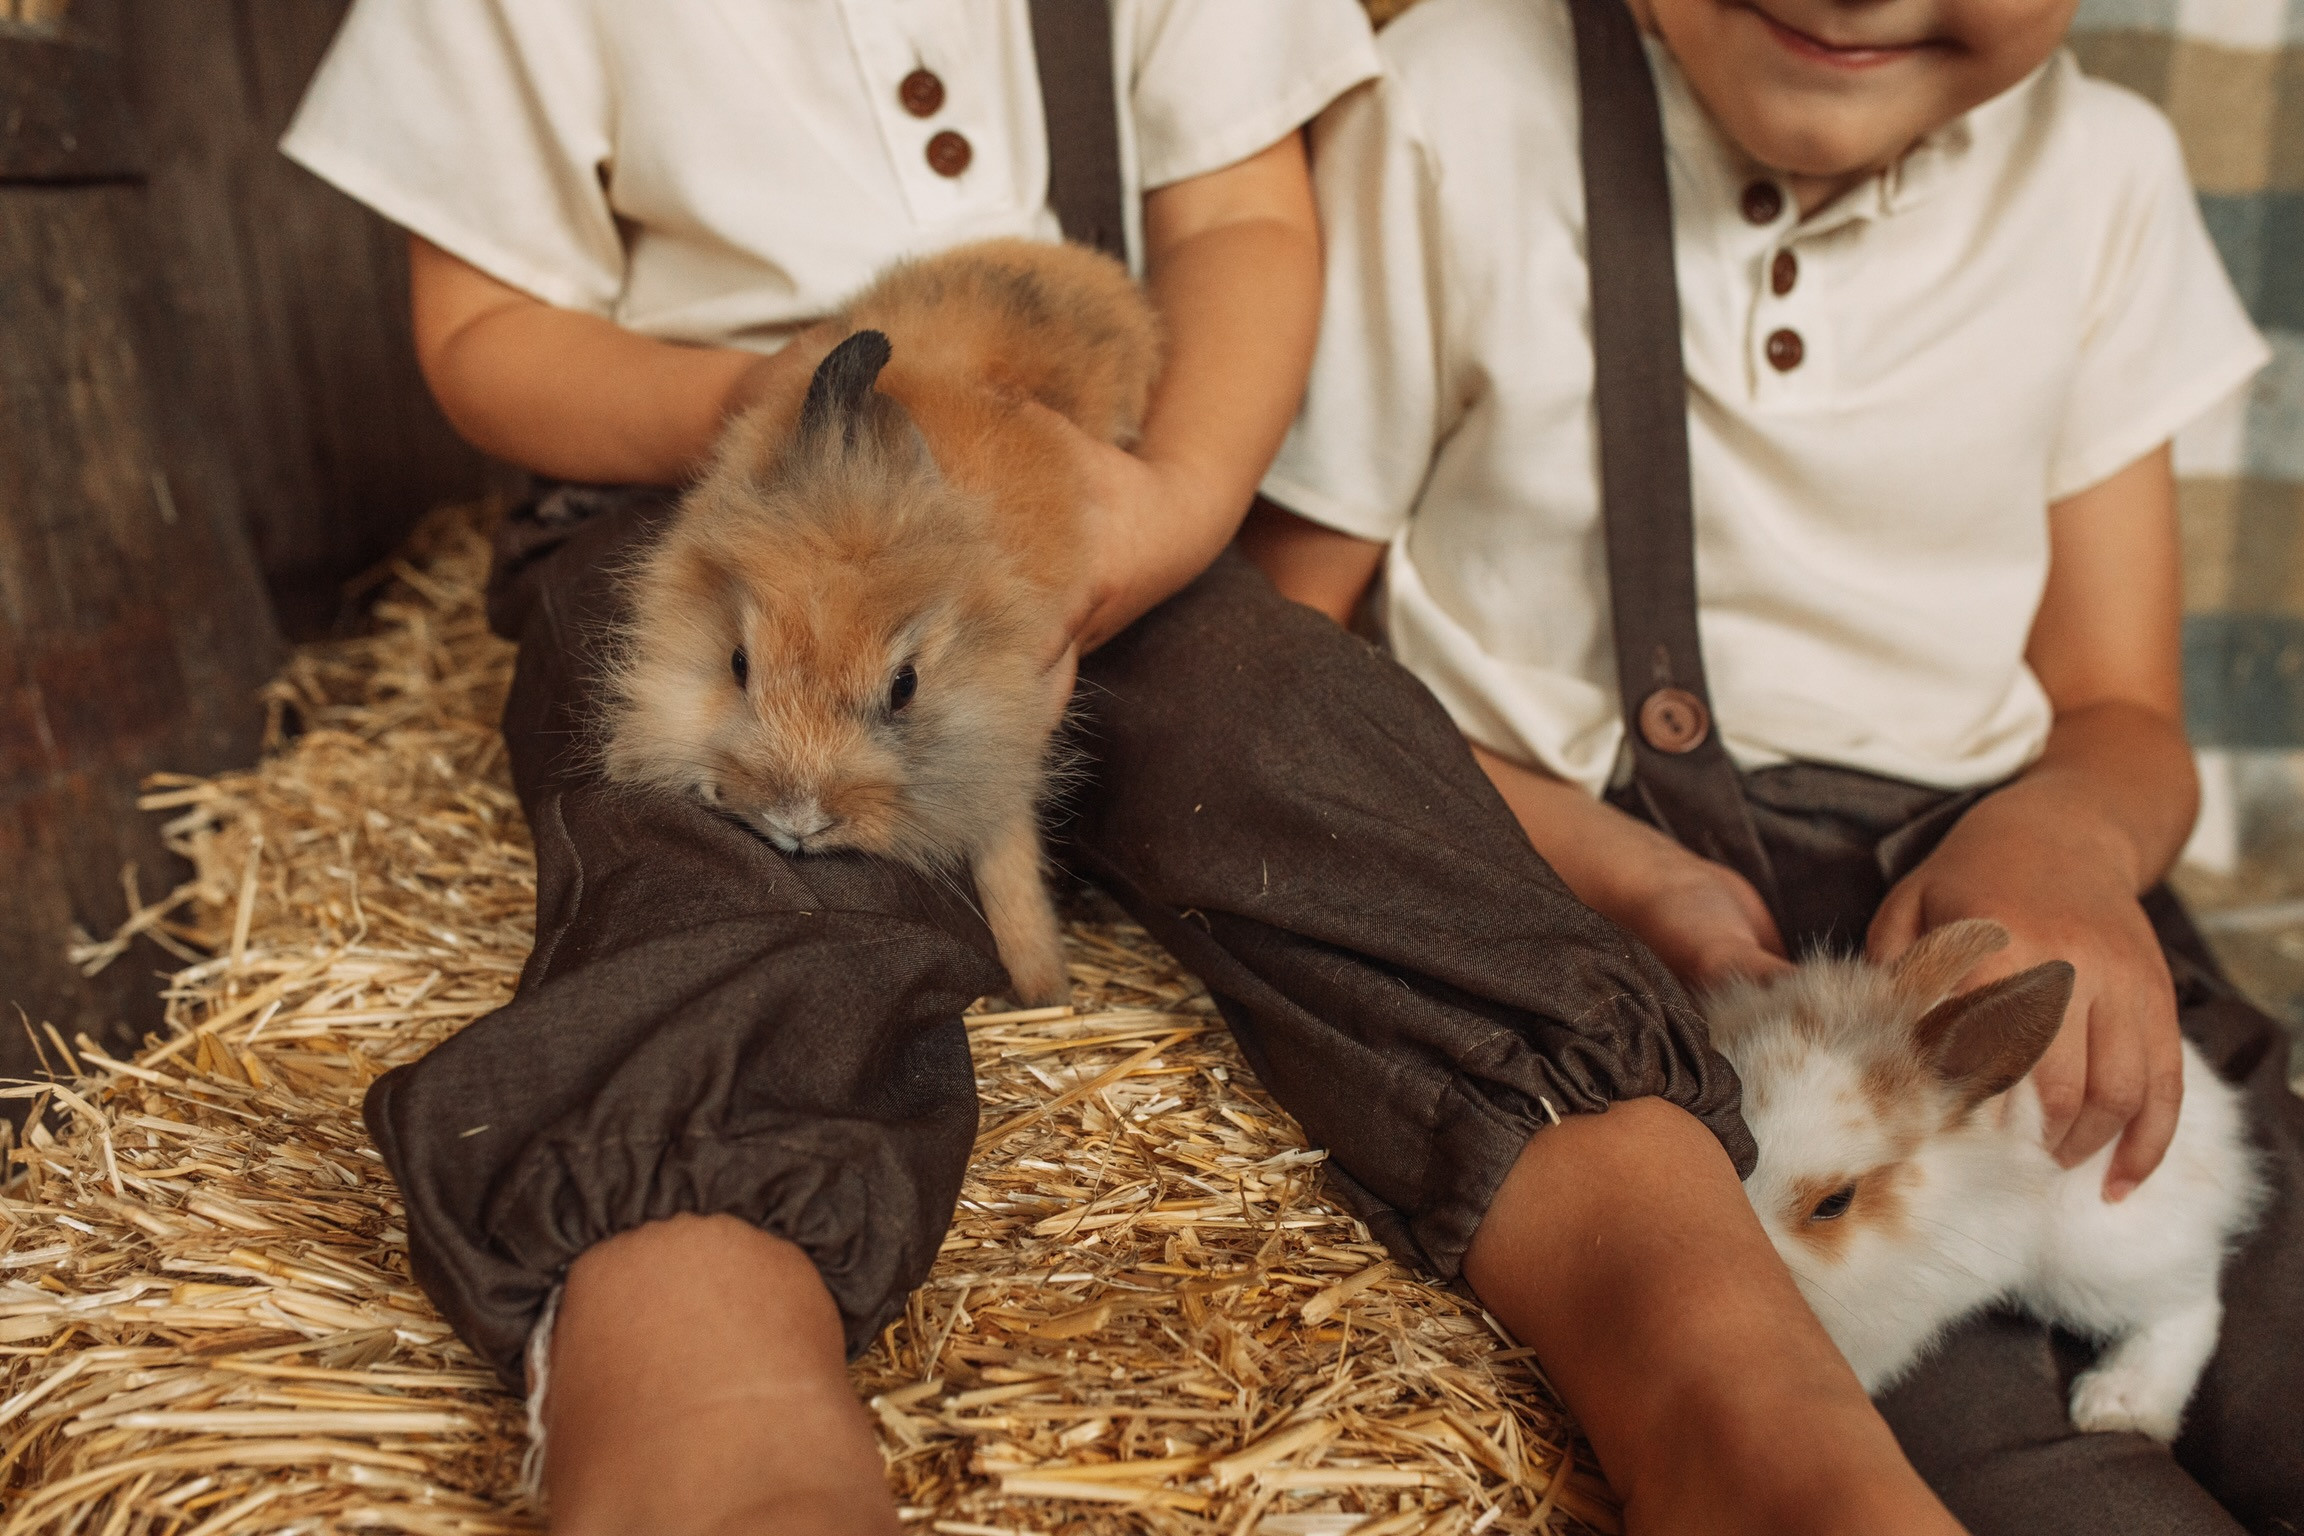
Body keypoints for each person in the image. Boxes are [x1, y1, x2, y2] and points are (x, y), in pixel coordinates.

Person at [284, 2, 1986, 1533]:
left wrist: (1170, 509)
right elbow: (483, 331)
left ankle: (1720, 1376)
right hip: (727, 497)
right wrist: (758, 405)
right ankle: (710, 1414)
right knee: (724, 829)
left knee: (1310, 744)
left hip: (1081, 500)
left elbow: (1241, 221)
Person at [1247, 0, 2304, 1530]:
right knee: (1965, 1454)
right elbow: (1289, 660)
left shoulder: (2101, 172)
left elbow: (2124, 713)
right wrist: (1606, 866)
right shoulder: (1460, 96)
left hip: (1998, 907)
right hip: (1606, 914)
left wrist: (2062, 847)